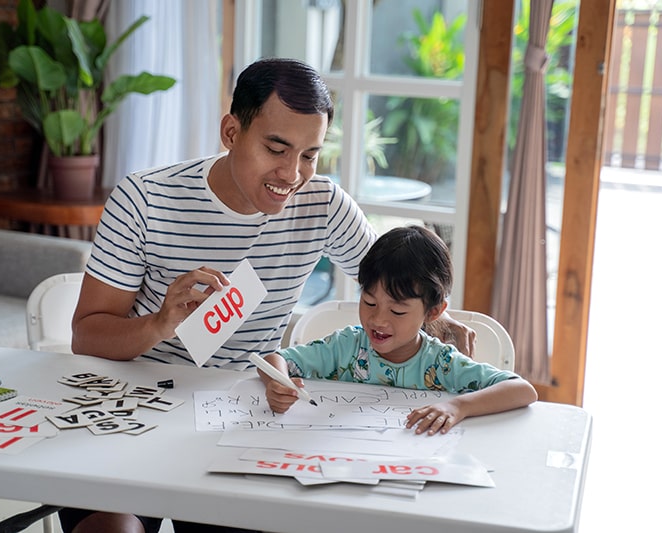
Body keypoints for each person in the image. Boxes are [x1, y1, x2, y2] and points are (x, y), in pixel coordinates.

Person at [62, 58, 473, 532]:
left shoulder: (322, 204)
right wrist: (159, 323)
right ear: (231, 131)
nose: (292, 174)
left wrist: (439, 324)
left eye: (310, 155)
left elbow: (398, 283)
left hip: (243, 417)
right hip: (136, 408)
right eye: (276, 148)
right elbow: (86, 336)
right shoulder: (145, 199)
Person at [256, 225, 538, 436]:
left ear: (433, 312)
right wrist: (278, 383)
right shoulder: (345, 347)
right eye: (369, 302)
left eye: (398, 311)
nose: (378, 319)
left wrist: (458, 406)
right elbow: (273, 359)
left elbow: (522, 390)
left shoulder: (441, 362)